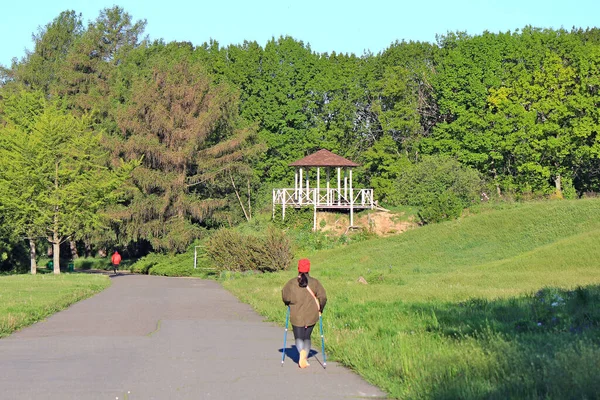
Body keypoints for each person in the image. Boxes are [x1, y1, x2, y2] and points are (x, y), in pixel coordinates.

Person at [282, 258, 327, 368]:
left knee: (298, 337)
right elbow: (323, 297)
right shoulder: (315, 283)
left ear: (298, 268)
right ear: (308, 268)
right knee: (307, 337)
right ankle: (304, 358)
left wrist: (287, 303)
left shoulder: (291, 283)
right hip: (312, 315)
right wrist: (320, 308)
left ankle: (302, 355)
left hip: (296, 315)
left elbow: (285, 296)